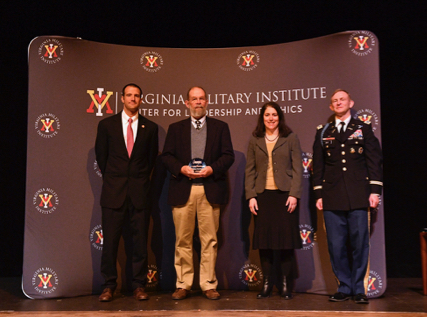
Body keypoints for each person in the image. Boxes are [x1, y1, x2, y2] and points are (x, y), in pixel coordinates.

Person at [161, 86, 234, 300]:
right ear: (187, 103)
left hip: (209, 189)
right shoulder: (176, 128)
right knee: (182, 240)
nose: (198, 102)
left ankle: (208, 284)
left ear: (207, 102)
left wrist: (212, 169)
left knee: (209, 240)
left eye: (202, 98)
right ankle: (183, 284)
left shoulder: (221, 127)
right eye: (194, 99)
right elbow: (166, 157)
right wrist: (181, 169)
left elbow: (228, 156)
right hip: (183, 189)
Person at [312, 89, 383, 304]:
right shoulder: (324, 131)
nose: (338, 102)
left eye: (342, 99)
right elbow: (318, 165)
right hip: (332, 196)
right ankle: (343, 287)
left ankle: (359, 289)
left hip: (358, 195)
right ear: (331, 107)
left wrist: (375, 191)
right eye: (334, 101)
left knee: (360, 243)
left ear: (350, 102)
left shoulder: (363, 128)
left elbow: (374, 161)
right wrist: (318, 193)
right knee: (336, 244)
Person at [95, 83, 159, 302]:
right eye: (129, 95)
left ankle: (139, 285)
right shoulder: (106, 125)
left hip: (140, 194)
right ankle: (109, 286)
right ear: (121, 98)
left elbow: (151, 161)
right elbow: (101, 158)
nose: (133, 98)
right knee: (110, 244)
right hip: (114, 194)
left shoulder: (150, 128)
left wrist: (137, 181)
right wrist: (116, 180)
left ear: (141, 99)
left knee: (140, 244)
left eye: (137, 96)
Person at [244, 102, 302, 300]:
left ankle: (285, 285)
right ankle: (267, 284)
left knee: (286, 243)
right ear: (262, 117)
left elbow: (297, 169)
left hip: (285, 197)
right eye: (267, 115)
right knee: (265, 243)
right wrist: (251, 195)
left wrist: (294, 194)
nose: (271, 118)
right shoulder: (255, 139)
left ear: (280, 117)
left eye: (274, 115)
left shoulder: (291, 137)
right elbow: (249, 170)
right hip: (262, 197)